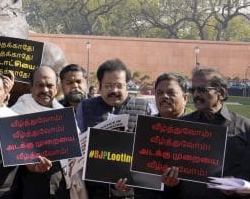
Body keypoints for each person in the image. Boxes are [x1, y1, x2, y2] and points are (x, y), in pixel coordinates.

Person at [164, 67, 250, 199]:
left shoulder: (244, 127)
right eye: (194, 90)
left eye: (202, 90)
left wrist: (238, 186)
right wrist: (171, 181)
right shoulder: (182, 125)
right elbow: (171, 171)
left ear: (220, 93)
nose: (197, 95)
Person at [75, 58, 153, 198]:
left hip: (131, 190)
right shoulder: (85, 107)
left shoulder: (145, 108)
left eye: (119, 85)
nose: (114, 91)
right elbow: (77, 145)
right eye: (108, 86)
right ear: (99, 86)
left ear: (127, 85)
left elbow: (149, 152)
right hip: (95, 190)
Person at [10, 66, 70, 199]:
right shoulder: (15, 114)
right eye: (40, 85)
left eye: (49, 85)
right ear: (31, 87)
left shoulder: (64, 114)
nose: (45, 90)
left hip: (59, 184)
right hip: (28, 184)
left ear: (56, 88)